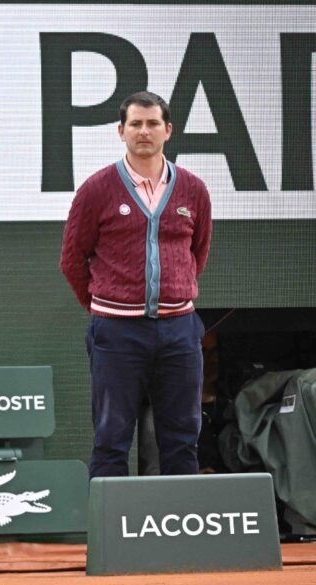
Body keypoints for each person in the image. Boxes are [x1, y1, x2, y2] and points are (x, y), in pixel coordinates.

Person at [60, 91, 213, 479]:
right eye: (136, 124)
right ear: (121, 131)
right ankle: (111, 539)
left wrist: (175, 292)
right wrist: (107, 304)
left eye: (152, 123)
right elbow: (72, 260)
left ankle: (183, 531)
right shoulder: (96, 190)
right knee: (111, 438)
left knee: (182, 437)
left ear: (168, 130)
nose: (144, 131)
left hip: (180, 330)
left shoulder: (193, 190)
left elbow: (198, 252)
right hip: (116, 332)